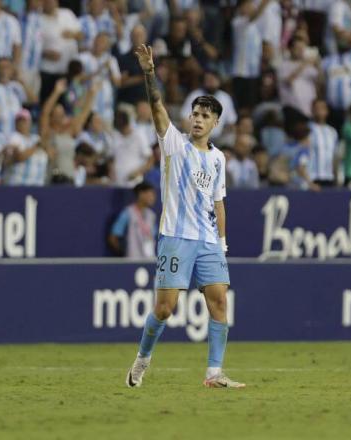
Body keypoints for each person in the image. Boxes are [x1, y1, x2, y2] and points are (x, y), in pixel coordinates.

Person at [126, 44, 242, 389]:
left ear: (216, 123)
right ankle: (143, 358)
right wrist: (149, 72)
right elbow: (157, 106)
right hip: (176, 238)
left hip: (208, 240)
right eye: (194, 113)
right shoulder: (174, 144)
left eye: (205, 116)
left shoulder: (219, 159)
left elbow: (218, 202)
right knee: (164, 309)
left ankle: (214, 373)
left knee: (219, 300)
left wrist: (221, 242)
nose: (197, 119)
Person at [108, 181, 157, 258]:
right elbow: (113, 237)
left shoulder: (152, 215)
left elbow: (153, 236)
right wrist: (124, 252)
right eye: (150, 194)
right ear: (141, 194)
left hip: (149, 259)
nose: (153, 198)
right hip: (132, 260)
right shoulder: (127, 213)